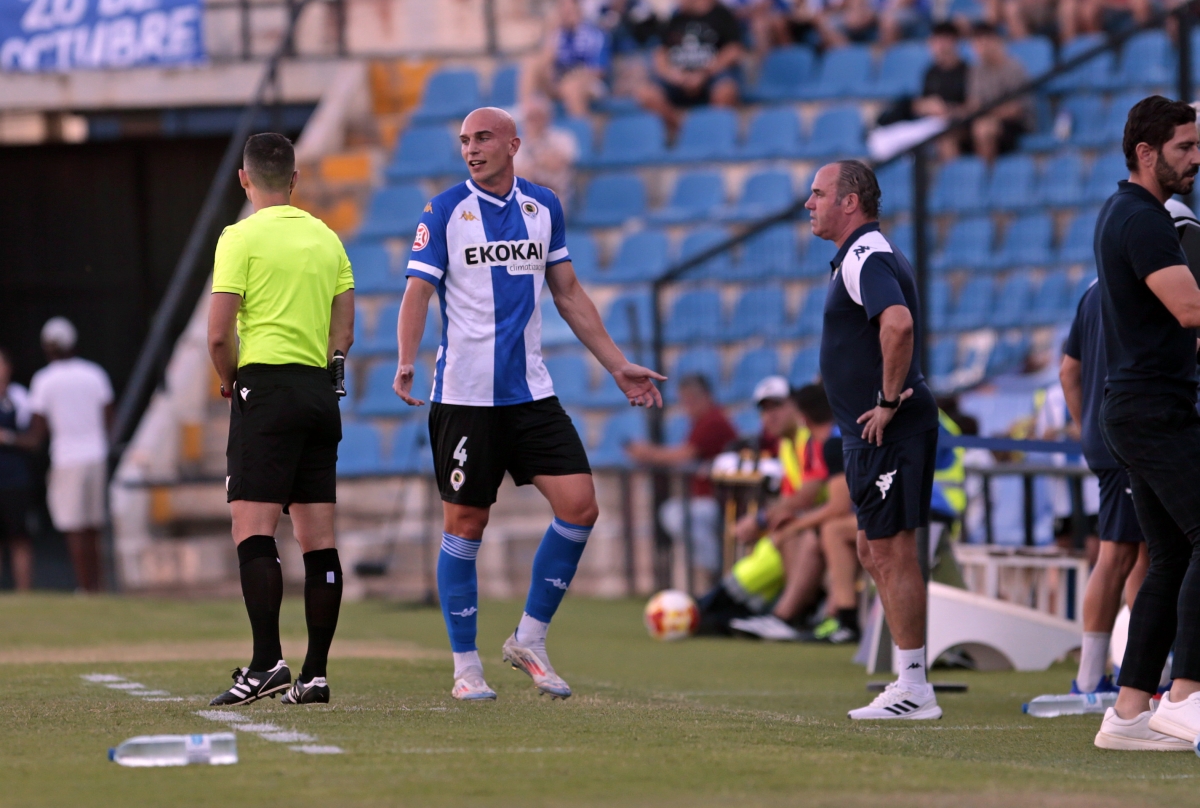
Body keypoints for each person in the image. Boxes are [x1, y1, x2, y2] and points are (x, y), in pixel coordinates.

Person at [393, 106, 665, 702]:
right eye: (464, 141)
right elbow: (417, 290)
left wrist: (617, 364)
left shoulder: (544, 208)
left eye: (483, 138)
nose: (471, 149)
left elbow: (568, 293)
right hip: (465, 397)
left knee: (580, 506)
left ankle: (529, 638)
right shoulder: (444, 211)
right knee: (466, 524)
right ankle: (466, 667)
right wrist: (407, 357)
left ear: (513, 145)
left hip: (531, 393)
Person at [206, 132, 355, 707]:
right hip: (318, 391)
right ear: (294, 180)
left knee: (253, 530)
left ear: (244, 179)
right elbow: (344, 329)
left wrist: (230, 380)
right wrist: (329, 371)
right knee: (319, 540)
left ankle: (267, 662)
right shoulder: (326, 237)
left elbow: (219, 334)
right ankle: (314, 675)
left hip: (265, 389)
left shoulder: (239, 237)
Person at [808, 159, 941, 720]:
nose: (809, 204)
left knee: (890, 549)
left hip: (890, 427)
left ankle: (914, 686)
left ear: (850, 201)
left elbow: (898, 323)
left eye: (818, 194)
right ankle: (907, 678)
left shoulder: (867, 254)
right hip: (870, 432)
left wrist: (887, 401)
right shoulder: (857, 256)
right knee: (871, 549)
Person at [1091, 96, 1200, 751]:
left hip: (1137, 406)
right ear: (1145, 152)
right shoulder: (1143, 219)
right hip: (1153, 409)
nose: (1196, 159)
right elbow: (1190, 309)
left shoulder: (1124, 212)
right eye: (1185, 147)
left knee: (1171, 557)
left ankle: (1129, 714)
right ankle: (1186, 697)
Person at [1033, 281, 1149, 723]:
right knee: (1121, 554)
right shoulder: (1149, 276)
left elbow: (1069, 371)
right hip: (1134, 437)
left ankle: (1141, 670)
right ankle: (1093, 678)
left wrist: (1088, 431)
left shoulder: (1092, 288)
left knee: (1141, 554)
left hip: (1112, 438)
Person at [730, 383, 857, 642]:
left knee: (827, 532)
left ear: (802, 416)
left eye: (777, 407)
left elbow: (837, 505)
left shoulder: (832, 442)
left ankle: (830, 619)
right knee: (810, 530)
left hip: (878, 517)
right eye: (765, 410)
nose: (770, 416)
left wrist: (794, 524)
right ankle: (803, 616)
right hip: (874, 514)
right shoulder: (805, 444)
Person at [19, 318, 112, 593]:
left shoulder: (44, 380)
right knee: (93, 526)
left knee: (74, 527)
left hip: (67, 458)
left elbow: (37, 432)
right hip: (96, 455)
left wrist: (13, 439)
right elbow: (110, 418)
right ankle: (97, 587)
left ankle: (84, 587)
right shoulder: (94, 373)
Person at [625, 374, 737, 589]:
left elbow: (684, 455)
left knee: (675, 514)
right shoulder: (702, 421)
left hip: (721, 501)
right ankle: (712, 572)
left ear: (702, 398)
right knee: (676, 514)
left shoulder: (713, 420)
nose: (686, 408)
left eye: (689, 401)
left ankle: (716, 571)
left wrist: (646, 453)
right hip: (706, 499)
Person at [635, 0, 743, 136]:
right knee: (646, 93)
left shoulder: (722, 15)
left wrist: (705, 73)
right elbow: (660, 55)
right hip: (678, 78)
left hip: (711, 75)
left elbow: (734, 51)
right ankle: (685, 131)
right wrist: (673, 75)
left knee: (726, 90)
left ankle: (714, 132)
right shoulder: (675, 19)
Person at [522, 0, 611, 119]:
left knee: (571, 86)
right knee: (532, 64)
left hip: (589, 84)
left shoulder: (595, 34)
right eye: (563, 11)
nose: (566, 15)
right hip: (558, 83)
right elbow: (544, 65)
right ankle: (525, 112)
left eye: (569, 11)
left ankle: (580, 126)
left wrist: (574, 76)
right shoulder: (557, 34)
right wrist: (551, 34)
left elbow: (599, 71)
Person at [962, 22, 1033, 163]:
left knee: (983, 129)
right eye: (975, 44)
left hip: (1018, 124)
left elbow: (1015, 110)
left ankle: (987, 175)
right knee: (951, 133)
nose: (978, 49)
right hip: (987, 119)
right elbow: (973, 104)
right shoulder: (976, 70)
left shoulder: (1014, 68)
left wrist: (985, 112)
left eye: (982, 43)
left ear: (994, 41)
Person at [0, 347, 34, 591]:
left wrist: (8, 438)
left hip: (14, 479)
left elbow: (33, 438)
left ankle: (24, 594)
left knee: (19, 538)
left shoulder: (19, 397)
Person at [513, 96, 579, 208]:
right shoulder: (517, 144)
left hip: (554, 196)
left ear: (547, 117)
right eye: (529, 118)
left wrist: (532, 164)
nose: (532, 122)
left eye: (537, 116)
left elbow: (556, 164)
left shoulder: (562, 138)